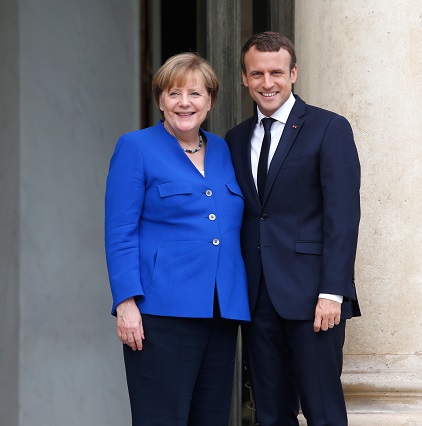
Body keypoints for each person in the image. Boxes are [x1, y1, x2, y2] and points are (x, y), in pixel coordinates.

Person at [104, 52, 250, 426]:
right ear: (160, 101)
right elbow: (120, 231)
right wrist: (126, 303)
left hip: (221, 311)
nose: (185, 103)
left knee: (211, 419)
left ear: (210, 101)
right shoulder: (135, 147)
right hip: (159, 312)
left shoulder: (223, 149)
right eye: (174, 93)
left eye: (195, 94)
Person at [225, 31, 361, 426]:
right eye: (257, 74)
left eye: (276, 73)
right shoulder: (234, 140)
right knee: (270, 412)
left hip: (314, 297)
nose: (267, 83)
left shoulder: (329, 128)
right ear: (245, 79)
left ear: (294, 73)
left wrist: (333, 293)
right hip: (257, 297)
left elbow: (343, 216)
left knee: (322, 411)